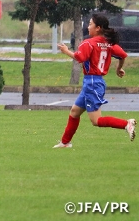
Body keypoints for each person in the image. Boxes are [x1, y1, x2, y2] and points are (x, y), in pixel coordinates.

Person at [54, 13, 135, 148]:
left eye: (90, 24)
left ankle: (126, 124)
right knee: (74, 112)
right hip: (95, 82)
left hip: (92, 83)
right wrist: (118, 69)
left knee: (96, 121)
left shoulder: (88, 43)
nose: (88, 26)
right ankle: (65, 142)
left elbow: (79, 58)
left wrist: (65, 51)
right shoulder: (109, 44)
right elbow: (122, 55)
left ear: (98, 28)